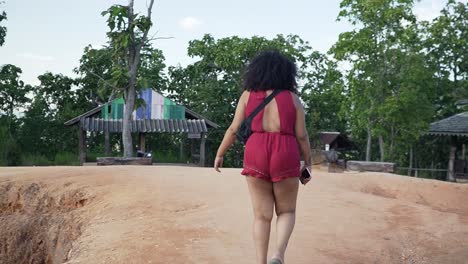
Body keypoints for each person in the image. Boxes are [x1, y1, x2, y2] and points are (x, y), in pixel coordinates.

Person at [214, 50, 312, 264]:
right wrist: (308, 162)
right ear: (287, 74)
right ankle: (278, 255)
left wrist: (220, 154)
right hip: (285, 151)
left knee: (261, 215)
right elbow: (302, 136)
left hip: (256, 149)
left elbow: (233, 129)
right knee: (286, 211)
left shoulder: (248, 95)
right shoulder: (293, 99)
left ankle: (260, 262)